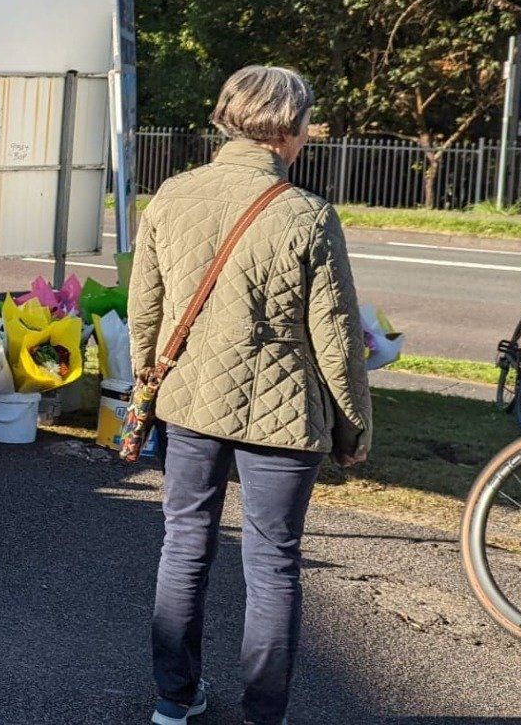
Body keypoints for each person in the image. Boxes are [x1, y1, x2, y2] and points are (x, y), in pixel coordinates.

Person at [129, 65, 372, 725]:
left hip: (189, 403)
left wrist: (144, 391)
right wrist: (353, 430)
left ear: (225, 119)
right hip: (285, 415)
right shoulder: (309, 216)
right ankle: (265, 714)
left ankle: (174, 701)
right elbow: (337, 340)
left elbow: (145, 314)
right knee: (273, 566)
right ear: (290, 132)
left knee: (183, 546)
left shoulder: (171, 198)